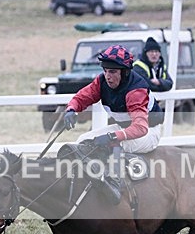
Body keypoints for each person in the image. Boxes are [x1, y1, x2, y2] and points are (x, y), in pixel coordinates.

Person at [62, 44, 163, 203]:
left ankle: (115, 186)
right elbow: (83, 96)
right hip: (125, 129)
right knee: (82, 141)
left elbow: (140, 128)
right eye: (106, 71)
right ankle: (86, 185)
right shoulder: (102, 81)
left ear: (125, 72)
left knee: (108, 144)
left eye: (113, 72)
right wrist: (71, 109)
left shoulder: (136, 91)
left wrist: (111, 136)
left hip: (148, 132)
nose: (108, 76)